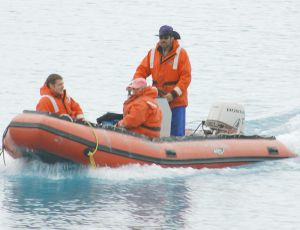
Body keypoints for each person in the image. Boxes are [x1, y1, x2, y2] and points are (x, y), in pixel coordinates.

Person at [133, 25, 191, 136]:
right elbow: (141, 71)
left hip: (177, 102)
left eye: (165, 37)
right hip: (158, 100)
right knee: (159, 133)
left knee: (177, 134)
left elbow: (186, 78)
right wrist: (138, 86)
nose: (163, 40)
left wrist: (172, 95)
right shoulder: (153, 53)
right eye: (161, 37)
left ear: (172, 38)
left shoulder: (181, 54)